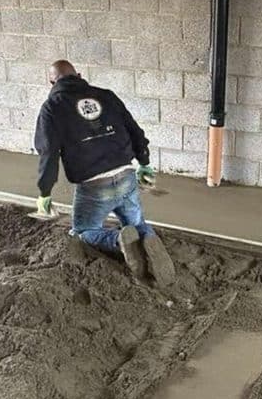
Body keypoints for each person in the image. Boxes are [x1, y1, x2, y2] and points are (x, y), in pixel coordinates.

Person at [34, 60, 175, 284]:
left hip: (94, 186)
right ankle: (147, 238)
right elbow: (134, 129)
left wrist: (45, 192)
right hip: (126, 174)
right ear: (79, 75)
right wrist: (144, 163)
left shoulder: (52, 107)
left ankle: (117, 240)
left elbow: (48, 153)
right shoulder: (106, 95)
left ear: (51, 81)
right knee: (136, 223)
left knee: (83, 232)